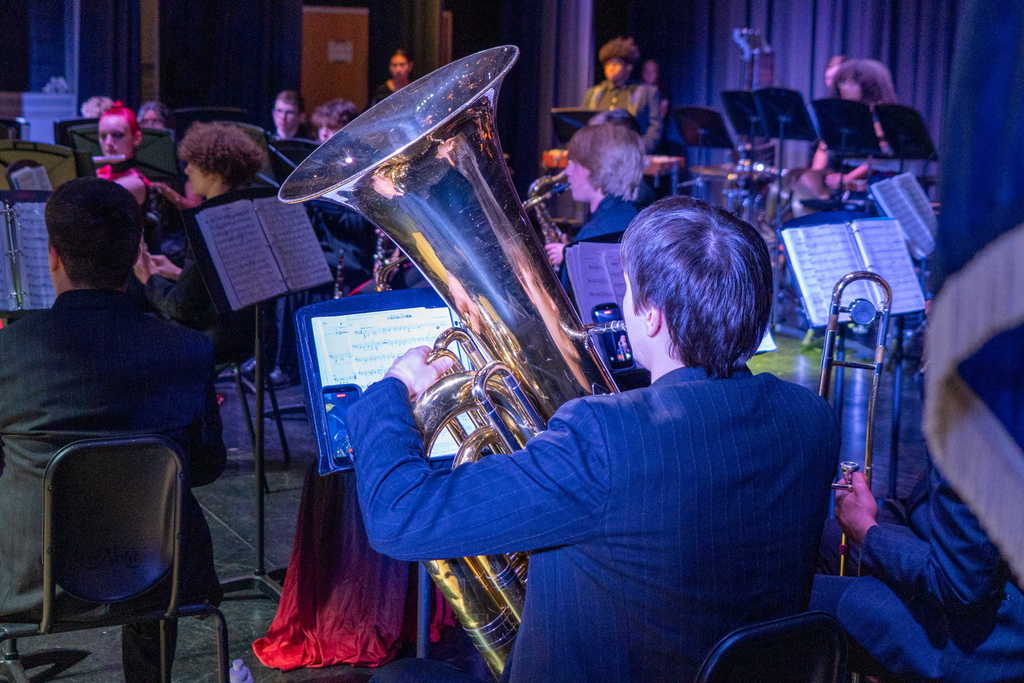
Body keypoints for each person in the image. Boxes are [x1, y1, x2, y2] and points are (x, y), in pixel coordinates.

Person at [349, 196, 840, 682]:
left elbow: (401, 516)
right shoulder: (812, 418)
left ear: (651, 316)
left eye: (628, 289)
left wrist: (392, 391)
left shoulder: (606, 437)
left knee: (401, 677)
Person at [0, 177, 226, 682]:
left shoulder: (9, 353)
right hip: (163, 577)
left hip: (29, 583)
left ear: (53, 256)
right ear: (135, 257)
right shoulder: (188, 349)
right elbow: (208, 467)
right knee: (157, 521)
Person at [811, 461, 1024, 681]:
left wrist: (867, 531)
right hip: (991, 575)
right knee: (824, 540)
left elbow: (959, 588)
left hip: (1004, 639)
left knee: (799, 595)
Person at [134, 122, 265, 361]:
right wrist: (176, 273)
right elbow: (220, 284)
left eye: (192, 164)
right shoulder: (247, 214)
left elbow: (182, 308)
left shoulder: (208, 222)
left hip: (216, 337)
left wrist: (148, 278)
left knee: (137, 329)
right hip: (252, 333)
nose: (186, 171)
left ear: (214, 171)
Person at [544, 123, 644, 273]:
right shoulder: (632, 215)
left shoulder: (596, 232)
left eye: (575, 164)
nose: (568, 171)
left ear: (600, 168)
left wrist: (571, 258)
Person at [799, 58, 897, 199]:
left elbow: (879, 158)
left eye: (851, 83)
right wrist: (815, 177)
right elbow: (824, 147)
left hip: (871, 189)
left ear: (870, 85)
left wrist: (847, 178)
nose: (843, 87)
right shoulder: (842, 115)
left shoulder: (882, 117)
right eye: (841, 82)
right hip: (837, 185)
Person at [582, 37, 662, 152]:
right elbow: (583, 126)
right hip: (598, 155)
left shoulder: (647, 92)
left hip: (631, 155)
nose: (610, 69)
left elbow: (655, 128)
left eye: (615, 65)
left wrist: (639, 149)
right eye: (607, 65)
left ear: (628, 67)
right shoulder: (593, 94)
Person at [96, 103, 149, 205]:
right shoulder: (99, 173)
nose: (108, 143)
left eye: (117, 135)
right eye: (103, 136)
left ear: (137, 138)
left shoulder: (135, 182)